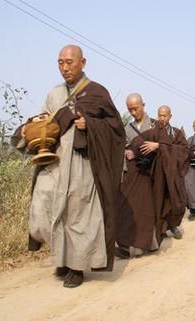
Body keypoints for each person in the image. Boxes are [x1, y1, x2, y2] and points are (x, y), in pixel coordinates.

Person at [12, 45, 125, 288]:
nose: (65, 67)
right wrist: (27, 128)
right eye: (60, 62)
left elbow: (116, 128)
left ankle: (76, 267)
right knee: (46, 207)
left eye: (70, 62)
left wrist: (91, 124)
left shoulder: (97, 92)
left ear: (83, 62)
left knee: (78, 215)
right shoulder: (54, 94)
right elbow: (43, 120)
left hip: (83, 163)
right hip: (56, 160)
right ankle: (61, 257)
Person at [128, 105, 188, 242]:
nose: (162, 118)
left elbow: (183, 151)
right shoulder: (153, 131)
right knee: (158, 201)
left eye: (165, 115)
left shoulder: (176, 133)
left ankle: (172, 226)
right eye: (160, 115)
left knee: (175, 201)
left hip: (172, 175)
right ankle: (159, 231)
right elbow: (139, 141)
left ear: (170, 116)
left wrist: (160, 146)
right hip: (158, 174)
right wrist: (132, 151)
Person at [116, 93, 159, 259]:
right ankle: (135, 244)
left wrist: (157, 145)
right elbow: (123, 146)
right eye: (130, 110)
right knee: (134, 209)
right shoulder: (127, 128)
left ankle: (150, 243)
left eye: (136, 108)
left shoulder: (155, 125)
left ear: (143, 105)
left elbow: (170, 146)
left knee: (149, 208)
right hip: (134, 172)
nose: (133, 112)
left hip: (153, 172)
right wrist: (126, 151)